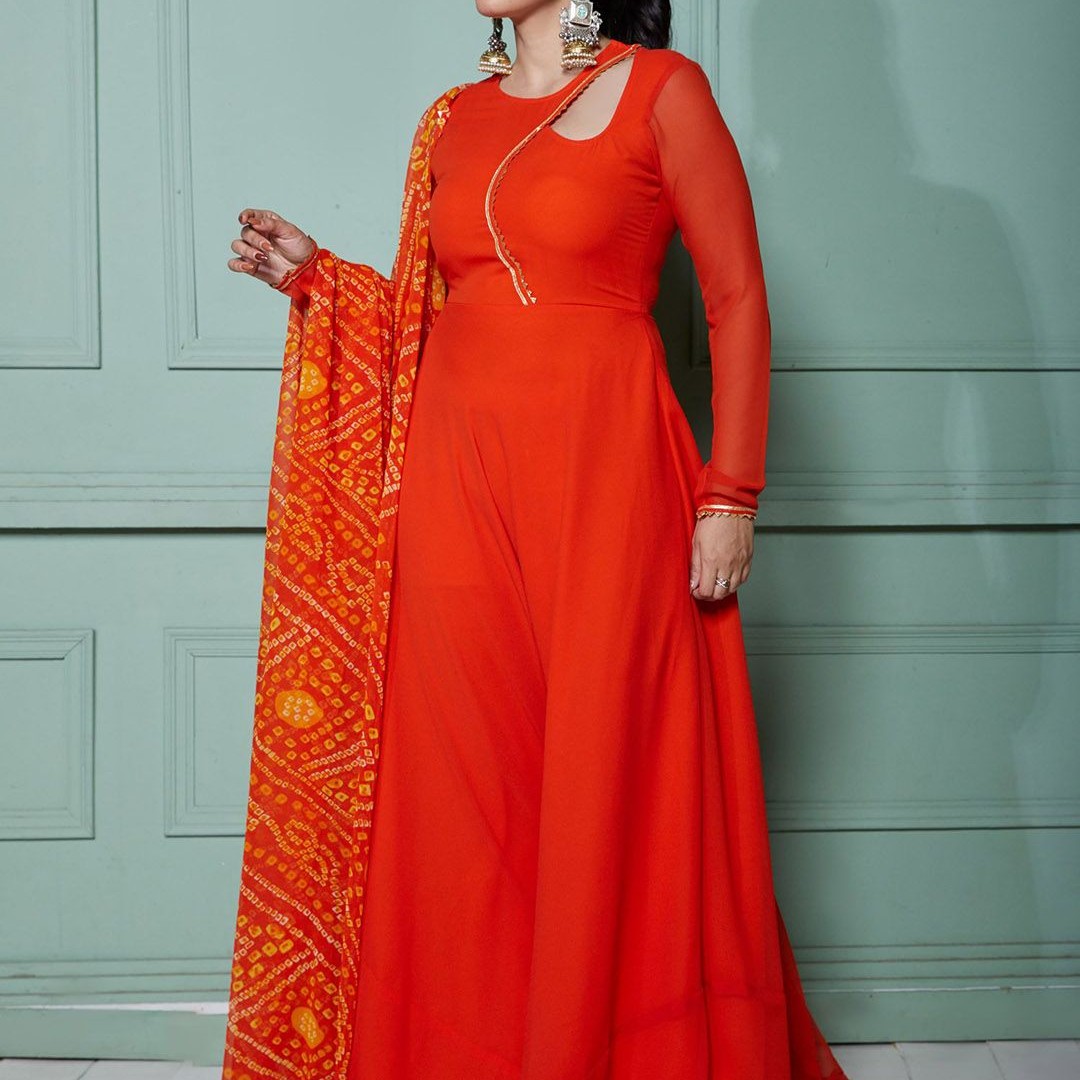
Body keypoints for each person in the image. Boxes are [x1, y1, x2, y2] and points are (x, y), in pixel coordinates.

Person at [222, 3, 849, 1078]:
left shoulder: (664, 93)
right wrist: (317, 276)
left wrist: (730, 494)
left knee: (608, 773)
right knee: (466, 784)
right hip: (453, 480)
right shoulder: (451, 118)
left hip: (608, 476)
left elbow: (740, 299)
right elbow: (432, 320)